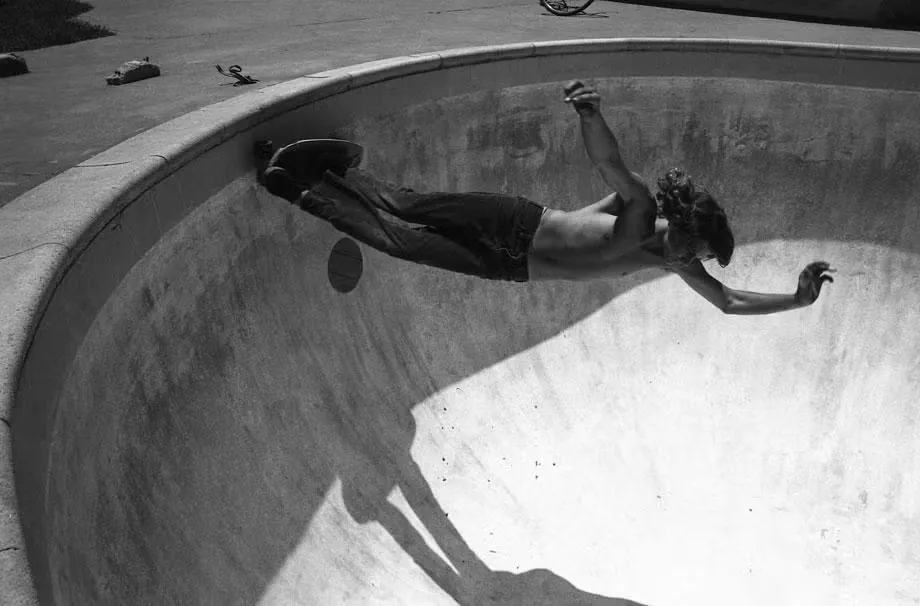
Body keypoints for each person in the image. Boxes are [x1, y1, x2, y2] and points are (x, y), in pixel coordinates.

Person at [260, 80, 834, 315]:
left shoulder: (672, 265)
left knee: (400, 241)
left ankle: (297, 185)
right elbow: (611, 164)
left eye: (699, 260)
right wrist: (592, 113)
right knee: (408, 207)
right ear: (682, 227)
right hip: (513, 221)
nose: (691, 262)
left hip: (508, 266)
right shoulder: (640, 214)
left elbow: (729, 302)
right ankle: (329, 167)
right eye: (694, 250)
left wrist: (796, 300)